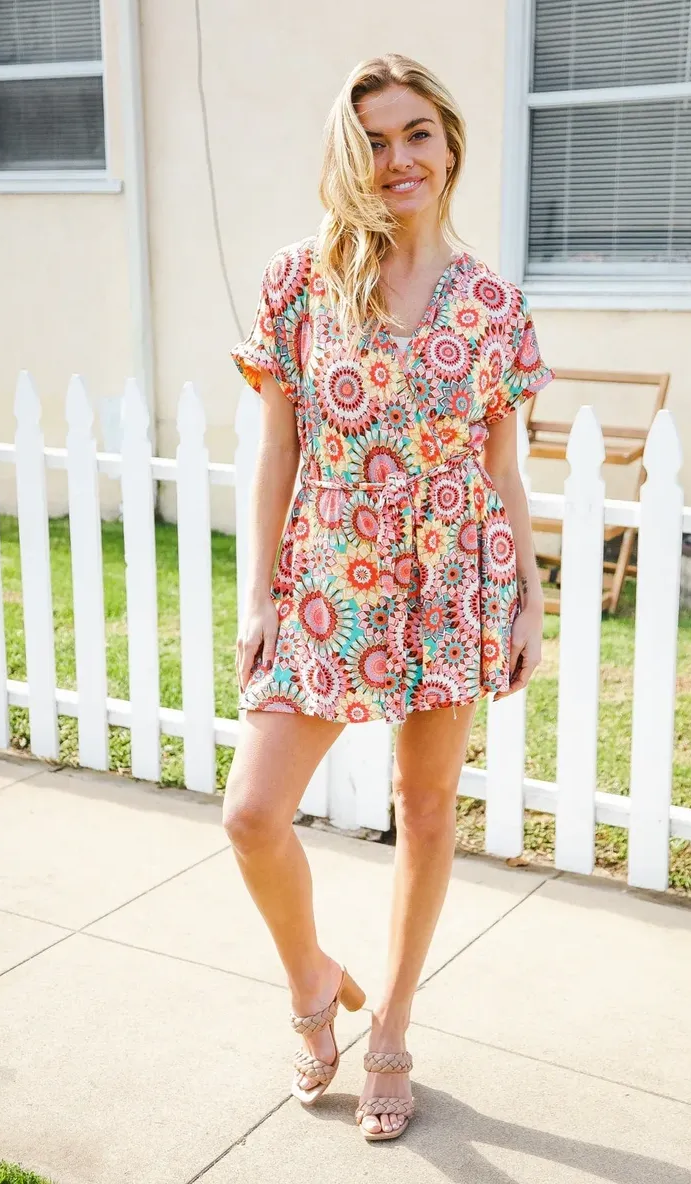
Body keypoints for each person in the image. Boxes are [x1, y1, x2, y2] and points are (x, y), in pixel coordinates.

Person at [223, 52, 553, 1143]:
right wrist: (262, 590)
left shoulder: (496, 305)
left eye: (416, 133)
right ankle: (317, 983)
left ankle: (393, 1027)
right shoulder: (299, 279)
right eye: (373, 138)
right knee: (253, 812)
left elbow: (502, 471)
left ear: (450, 143)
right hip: (324, 581)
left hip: (453, 578)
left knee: (422, 811)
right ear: (348, 152)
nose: (397, 157)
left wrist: (529, 596)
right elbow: (277, 447)